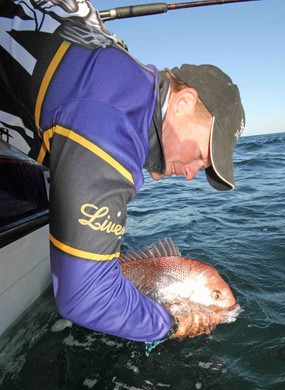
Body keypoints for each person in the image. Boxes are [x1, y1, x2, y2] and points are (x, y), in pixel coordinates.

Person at [0, 0, 245, 342]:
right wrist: (171, 324)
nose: (191, 173)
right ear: (184, 101)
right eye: (201, 155)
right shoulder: (115, 126)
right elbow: (85, 296)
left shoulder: (117, 72)